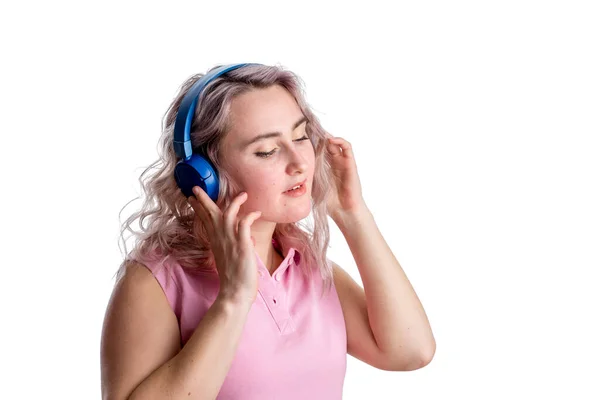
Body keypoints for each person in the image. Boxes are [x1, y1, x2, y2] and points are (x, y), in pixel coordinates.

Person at [100, 63, 435, 400]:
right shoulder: (155, 283)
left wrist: (352, 214)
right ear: (203, 174)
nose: (300, 162)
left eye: (301, 136)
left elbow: (411, 351)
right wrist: (234, 297)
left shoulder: (306, 267)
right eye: (267, 150)